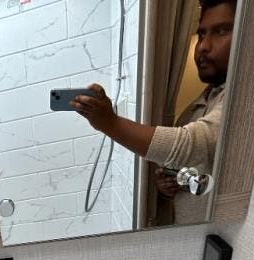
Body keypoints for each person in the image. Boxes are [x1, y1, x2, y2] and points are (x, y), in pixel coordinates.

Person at [72, 0, 236, 202]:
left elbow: (192, 146)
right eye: (201, 34)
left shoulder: (243, 97)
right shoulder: (204, 98)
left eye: (221, 31)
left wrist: (109, 123)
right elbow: (203, 164)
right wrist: (171, 182)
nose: (203, 46)